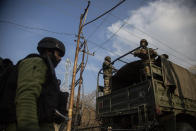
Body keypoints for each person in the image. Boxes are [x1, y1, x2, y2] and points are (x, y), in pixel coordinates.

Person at [6, 37, 66, 131]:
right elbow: (26, 97)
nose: (59, 59)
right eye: (58, 54)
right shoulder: (37, 62)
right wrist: (29, 126)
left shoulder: (47, 72)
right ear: (49, 51)